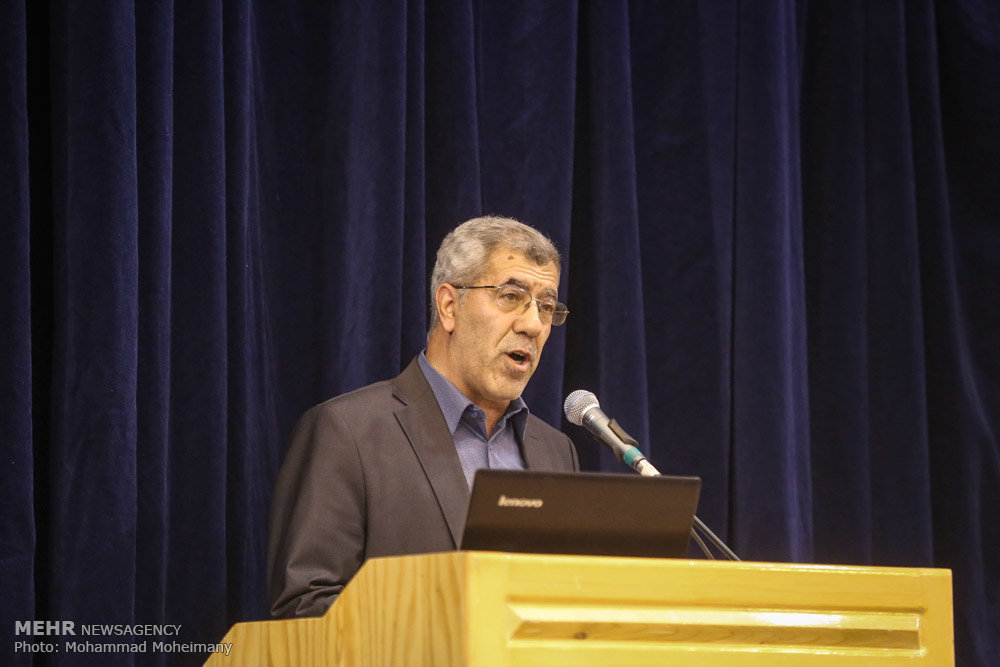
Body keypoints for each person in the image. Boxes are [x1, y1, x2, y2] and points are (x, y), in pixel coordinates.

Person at [267, 216, 580, 618]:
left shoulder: (557, 451)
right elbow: (306, 608)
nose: (533, 324)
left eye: (547, 306)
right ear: (449, 306)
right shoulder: (348, 433)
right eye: (510, 296)